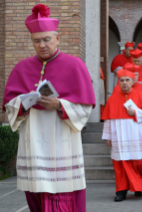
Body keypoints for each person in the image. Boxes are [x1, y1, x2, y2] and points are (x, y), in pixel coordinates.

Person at [2, 4, 95, 211]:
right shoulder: (21, 68)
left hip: (62, 141)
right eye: (37, 41)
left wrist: (59, 104)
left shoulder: (75, 65)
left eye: (46, 39)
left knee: (61, 195)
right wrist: (23, 105)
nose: (42, 45)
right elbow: (9, 105)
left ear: (57, 38)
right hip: (32, 141)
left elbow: (85, 107)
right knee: (36, 193)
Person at [101, 69, 142, 202]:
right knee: (120, 163)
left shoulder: (141, 96)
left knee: (137, 162)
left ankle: (138, 187)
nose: (124, 83)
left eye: (127, 80)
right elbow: (108, 119)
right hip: (119, 136)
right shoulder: (113, 98)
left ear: (133, 81)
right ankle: (121, 191)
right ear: (119, 82)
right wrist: (108, 136)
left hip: (136, 134)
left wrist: (135, 113)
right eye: (122, 80)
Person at [113, 63, 142, 136]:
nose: (135, 77)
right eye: (132, 74)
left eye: (136, 74)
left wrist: (136, 112)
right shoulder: (117, 88)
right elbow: (113, 107)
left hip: (139, 122)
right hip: (122, 122)